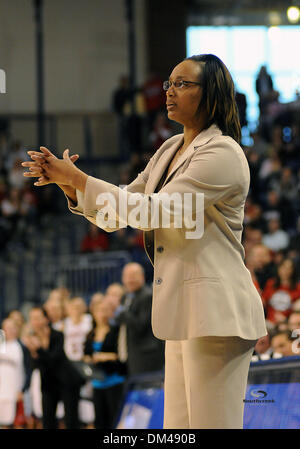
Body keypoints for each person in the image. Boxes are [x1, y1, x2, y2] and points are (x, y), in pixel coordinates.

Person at [23, 53, 267, 429]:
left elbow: (154, 210)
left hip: (218, 313)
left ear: (211, 93)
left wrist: (82, 180)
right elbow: (124, 206)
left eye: (182, 84)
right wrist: (71, 183)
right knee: (179, 429)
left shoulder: (223, 153)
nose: (169, 91)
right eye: (169, 83)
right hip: (185, 310)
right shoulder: (169, 149)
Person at [24, 307, 81, 429]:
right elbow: (34, 365)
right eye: (32, 319)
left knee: (71, 420)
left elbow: (54, 359)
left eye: (38, 318)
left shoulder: (58, 335)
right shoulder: (31, 338)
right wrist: (33, 352)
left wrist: (38, 349)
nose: (35, 322)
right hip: (47, 383)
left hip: (67, 381)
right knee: (47, 421)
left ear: (46, 319)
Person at [114, 262, 165, 376]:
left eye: (133, 276)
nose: (129, 280)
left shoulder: (147, 296)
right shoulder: (126, 297)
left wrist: (123, 313)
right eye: (127, 276)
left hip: (146, 355)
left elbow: (141, 326)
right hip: (130, 353)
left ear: (142, 277)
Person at [83, 299, 126, 429]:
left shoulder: (115, 331)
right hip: (97, 383)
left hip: (114, 381)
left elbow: (121, 354)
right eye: (99, 311)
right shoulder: (90, 334)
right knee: (100, 421)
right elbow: (86, 353)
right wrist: (88, 359)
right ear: (94, 313)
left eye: (105, 310)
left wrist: (104, 356)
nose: (102, 314)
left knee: (115, 419)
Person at [0, 318, 31, 428]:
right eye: (7, 328)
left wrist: (22, 390)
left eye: (13, 327)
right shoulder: (1, 344)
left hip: (16, 393)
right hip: (2, 392)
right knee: (3, 424)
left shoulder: (21, 347)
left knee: (18, 424)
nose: (10, 330)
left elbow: (28, 371)